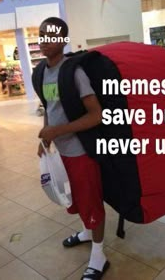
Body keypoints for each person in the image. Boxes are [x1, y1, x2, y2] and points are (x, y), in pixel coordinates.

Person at [33, 17, 109, 280]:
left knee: (91, 201)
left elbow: (96, 115)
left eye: (50, 35)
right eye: (41, 34)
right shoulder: (41, 72)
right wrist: (46, 136)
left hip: (81, 152)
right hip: (61, 154)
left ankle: (100, 255)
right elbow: (48, 107)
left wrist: (58, 131)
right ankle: (87, 233)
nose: (44, 39)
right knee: (75, 199)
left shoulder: (74, 72)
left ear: (62, 40)